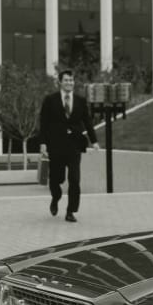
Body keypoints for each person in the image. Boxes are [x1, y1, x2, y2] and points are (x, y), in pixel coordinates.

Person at [39, 69, 99, 223]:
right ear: (60, 82)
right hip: (56, 145)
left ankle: (71, 211)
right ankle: (56, 197)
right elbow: (44, 123)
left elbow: (87, 121)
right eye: (66, 80)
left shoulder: (80, 101)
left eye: (71, 80)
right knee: (56, 179)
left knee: (74, 179)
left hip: (74, 146)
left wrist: (94, 141)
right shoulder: (50, 100)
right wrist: (43, 143)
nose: (69, 83)